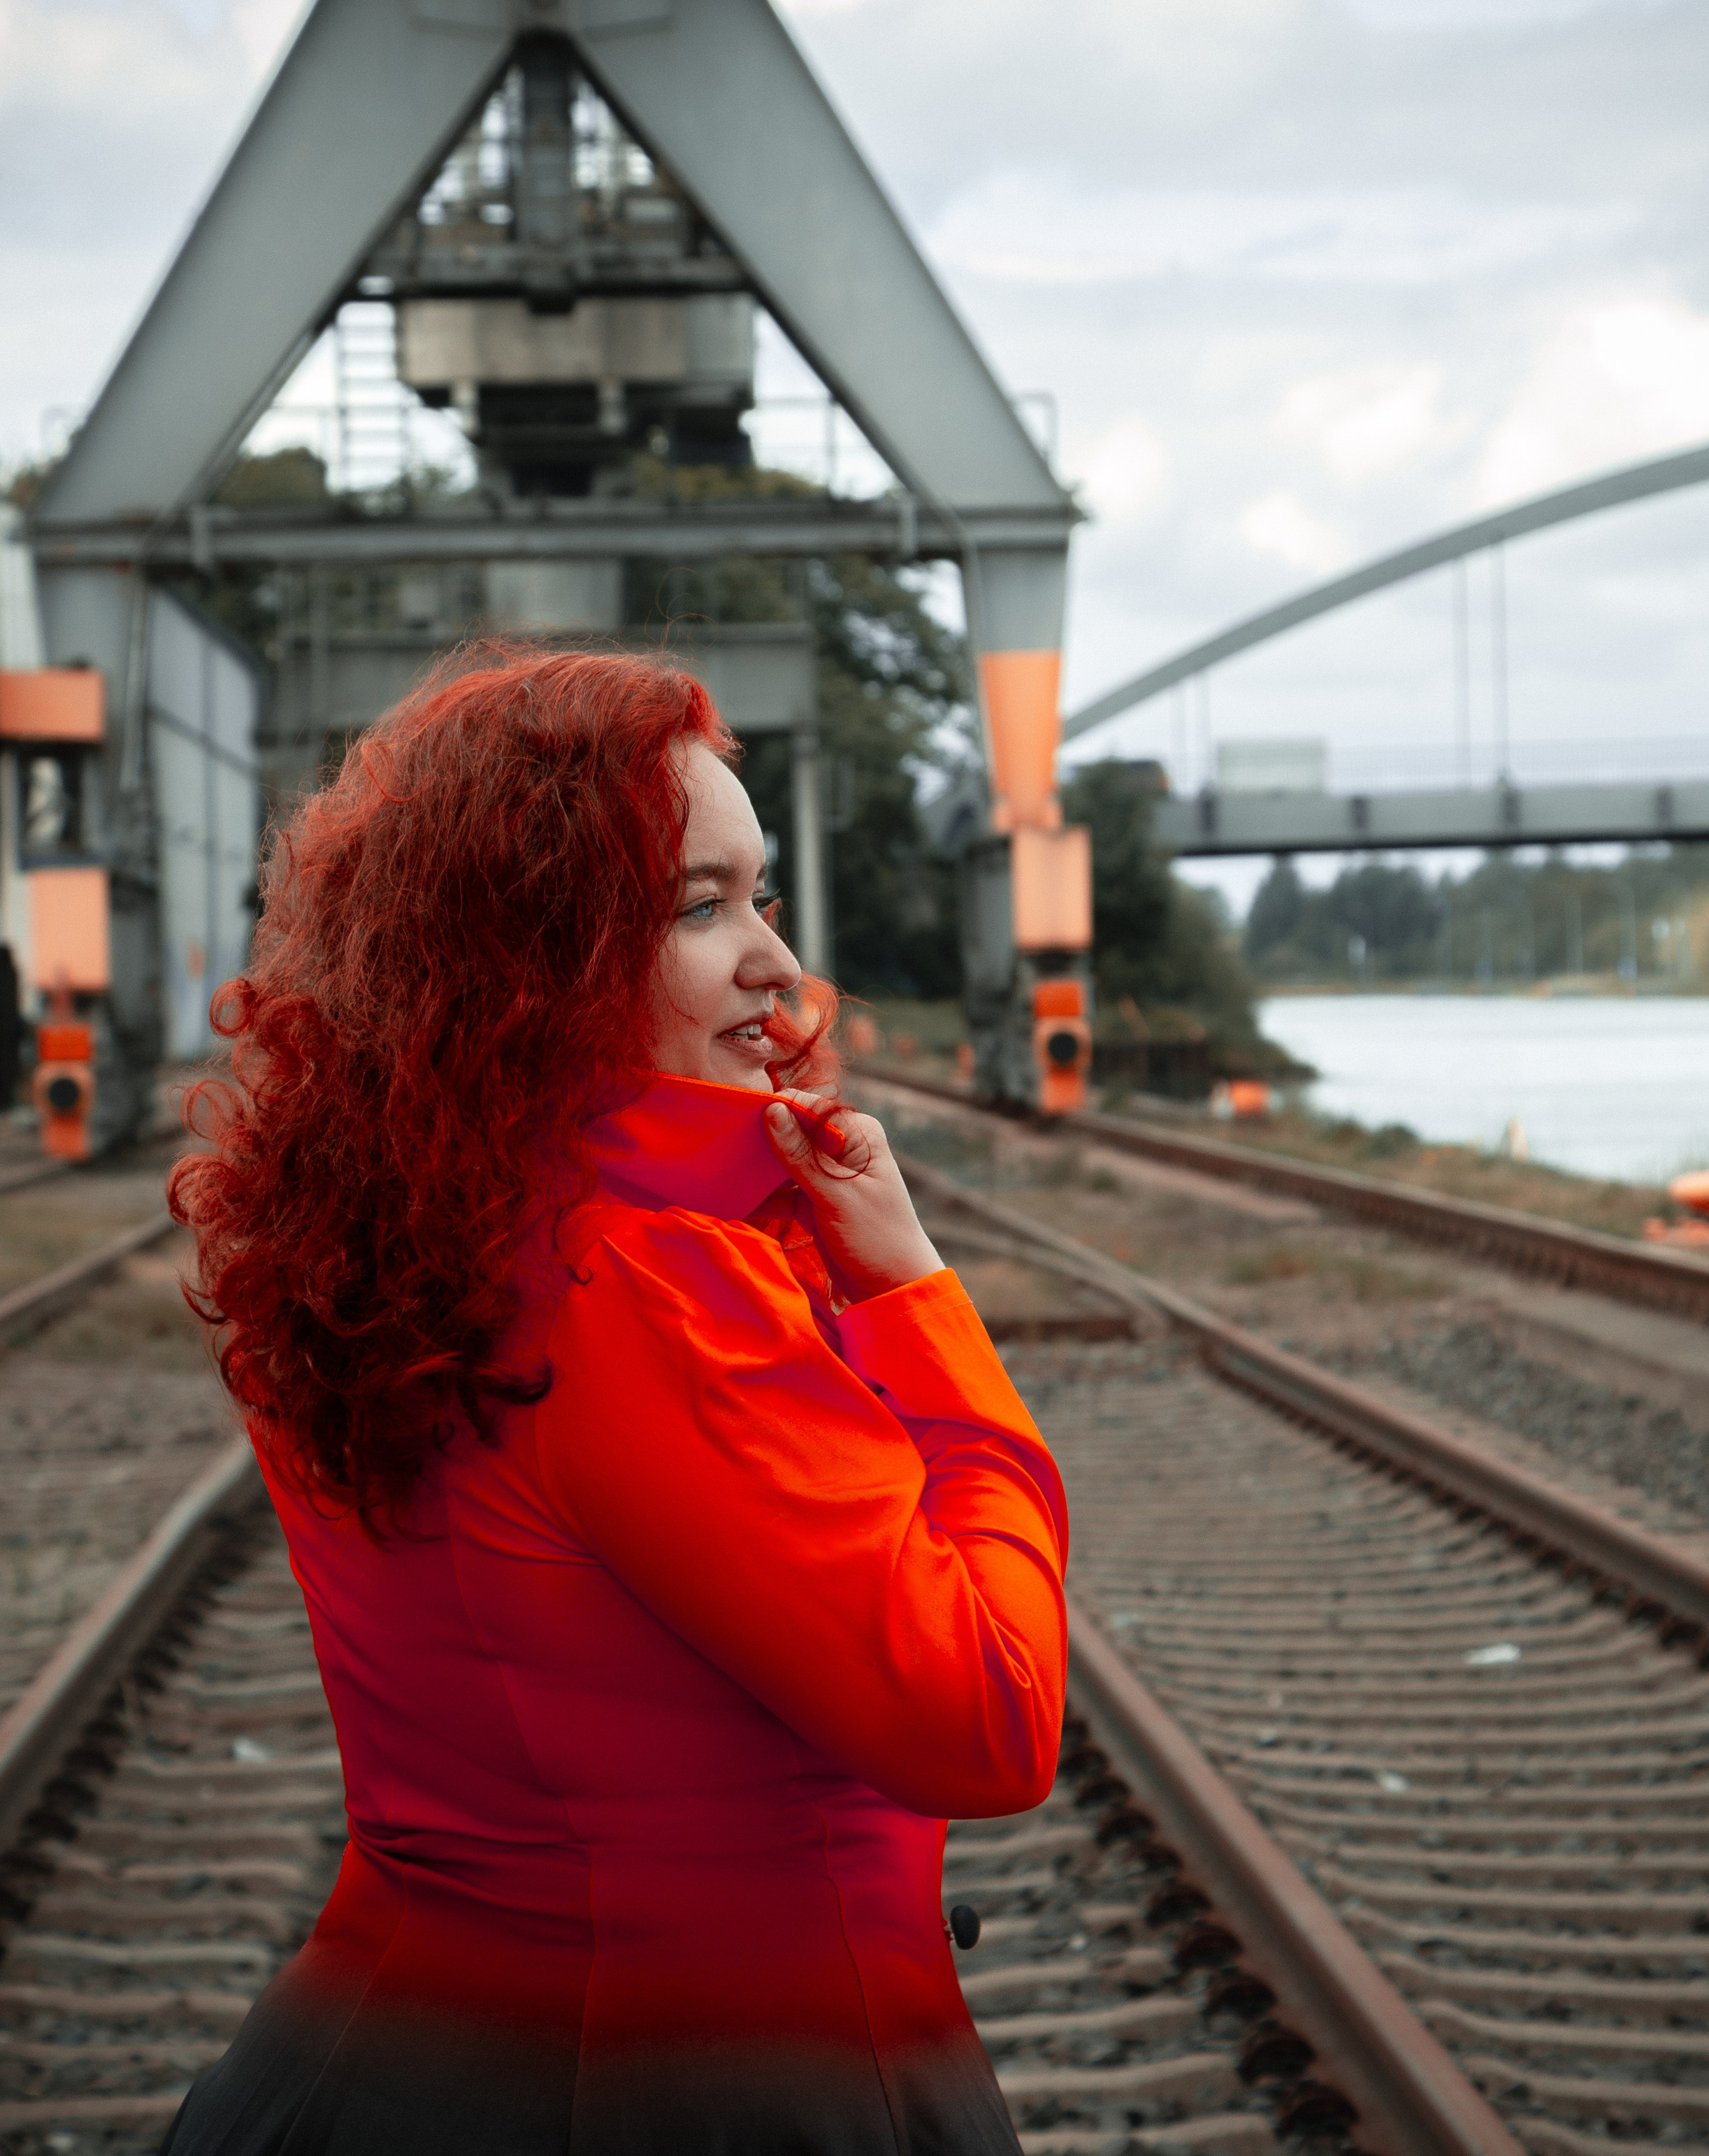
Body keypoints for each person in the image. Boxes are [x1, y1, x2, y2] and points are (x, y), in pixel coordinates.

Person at [163, 645, 1069, 2155]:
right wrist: (913, 1298)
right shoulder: (645, 1291)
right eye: (695, 907)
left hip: (377, 2060)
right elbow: (987, 1713)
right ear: (532, 962)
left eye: (759, 894)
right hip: (720, 2084)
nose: (776, 961)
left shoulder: (388, 1244)